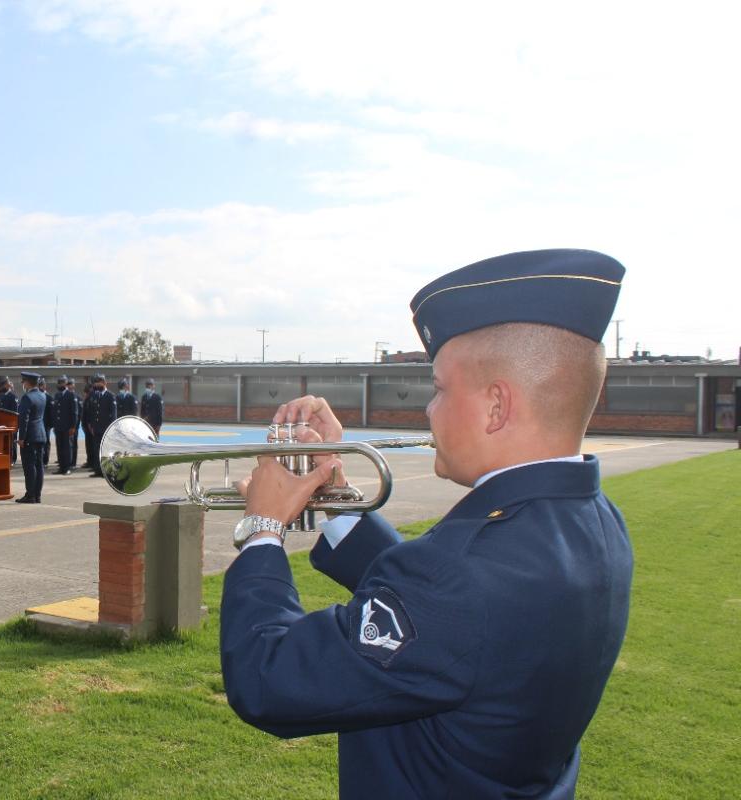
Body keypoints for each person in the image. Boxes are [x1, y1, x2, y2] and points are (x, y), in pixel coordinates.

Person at [220, 249, 632, 799]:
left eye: (438, 388)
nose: (428, 412)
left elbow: (268, 678)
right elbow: (444, 613)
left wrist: (263, 528)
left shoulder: (459, 581)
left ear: (495, 407)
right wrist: (336, 493)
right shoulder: (597, 522)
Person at [16, 371, 47, 504]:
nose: (23, 384)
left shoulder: (27, 398)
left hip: (30, 436)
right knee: (39, 466)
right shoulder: (42, 396)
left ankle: (30, 495)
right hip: (40, 434)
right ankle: (37, 495)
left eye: (23, 381)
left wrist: (21, 437)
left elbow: (24, 419)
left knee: (29, 467)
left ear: (28, 383)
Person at [87, 374, 117, 477]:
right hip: (96, 428)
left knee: (106, 450)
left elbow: (113, 414)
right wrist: (91, 424)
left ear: (104, 383)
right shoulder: (95, 395)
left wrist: (111, 428)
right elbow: (92, 411)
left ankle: (107, 471)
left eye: (99, 382)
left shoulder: (110, 396)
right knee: (97, 449)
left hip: (106, 428)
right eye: (95, 383)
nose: (96, 384)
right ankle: (98, 470)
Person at [53, 376, 77, 474]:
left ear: (66, 384)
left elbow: (74, 412)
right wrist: (54, 425)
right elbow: (55, 411)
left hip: (67, 427)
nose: (60, 385)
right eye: (59, 383)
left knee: (67, 448)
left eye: (62, 383)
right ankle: (61, 467)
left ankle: (67, 468)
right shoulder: (57, 395)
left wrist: (73, 426)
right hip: (58, 427)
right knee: (60, 447)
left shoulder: (71, 395)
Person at [0, 377, 18, 464]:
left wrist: (14, 425)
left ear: (7, 385)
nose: (1, 387)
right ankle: (4, 458)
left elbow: (15, 412)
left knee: (11, 443)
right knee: (3, 443)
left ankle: (12, 460)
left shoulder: (13, 396)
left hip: (11, 424)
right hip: (1, 424)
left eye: (3, 385)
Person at [38, 376, 54, 467]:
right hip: (37, 424)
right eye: (39, 385)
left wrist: (51, 425)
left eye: (42, 385)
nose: (40, 387)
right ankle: (39, 459)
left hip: (46, 424)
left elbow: (51, 413)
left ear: (45, 386)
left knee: (46, 442)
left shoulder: (49, 398)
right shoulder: (35, 396)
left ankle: (45, 461)